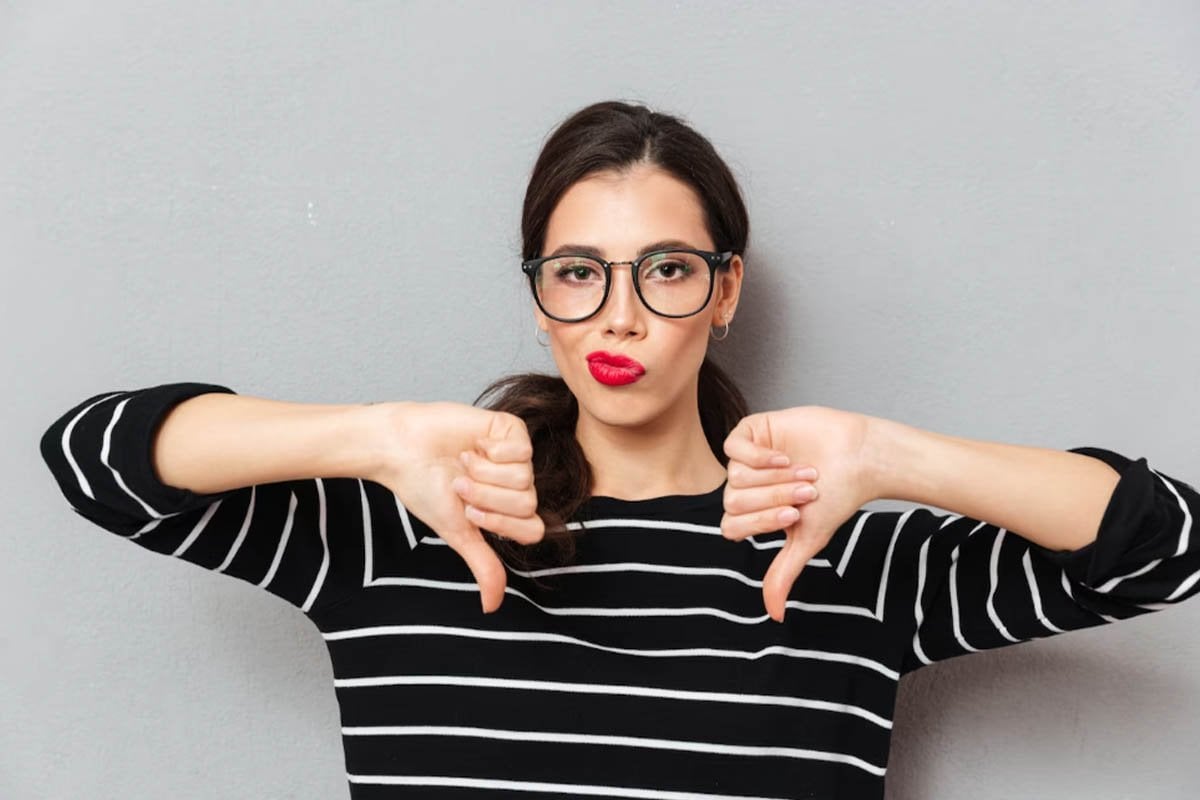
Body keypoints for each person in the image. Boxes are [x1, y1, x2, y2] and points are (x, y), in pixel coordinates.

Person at [39, 99, 1200, 800]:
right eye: (579, 272)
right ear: (539, 297)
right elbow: (95, 458)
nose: (622, 315)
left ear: (725, 291)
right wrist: (371, 435)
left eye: (669, 269)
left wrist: (891, 454)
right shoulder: (409, 526)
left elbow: (1167, 547)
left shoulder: (837, 553)